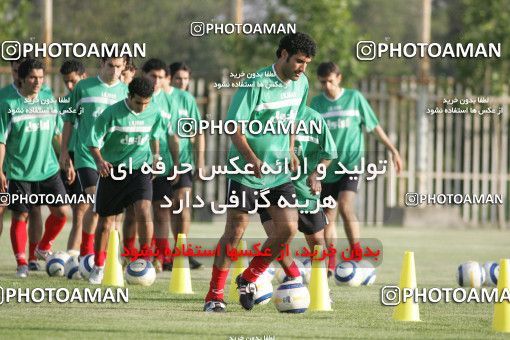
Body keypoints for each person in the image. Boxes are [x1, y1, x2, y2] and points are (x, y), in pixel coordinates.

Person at [203, 32, 316, 312]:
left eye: (307, 63)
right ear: (283, 55)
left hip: (278, 172)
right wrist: (252, 160)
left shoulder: (301, 83)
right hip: (245, 171)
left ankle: (249, 276)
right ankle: (214, 296)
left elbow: (293, 119)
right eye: (299, 61)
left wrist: (290, 150)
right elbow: (233, 127)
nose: (303, 68)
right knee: (235, 232)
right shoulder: (256, 84)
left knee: (289, 228)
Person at [310, 61, 403, 275]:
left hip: (351, 164)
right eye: (323, 82)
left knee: (344, 204)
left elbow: (375, 127)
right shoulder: (316, 104)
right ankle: (330, 263)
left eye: (330, 82)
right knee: (328, 216)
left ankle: (357, 255)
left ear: (339, 78)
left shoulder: (355, 99)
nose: (327, 86)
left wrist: (393, 150)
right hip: (327, 168)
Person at [87, 76, 164, 284]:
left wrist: (156, 158)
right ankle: (99, 266)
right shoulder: (111, 114)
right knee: (106, 222)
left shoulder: (153, 111)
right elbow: (92, 142)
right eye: (138, 102)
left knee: (144, 210)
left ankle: (146, 259)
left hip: (140, 169)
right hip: (112, 171)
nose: (142, 107)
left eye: (146, 103)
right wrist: (100, 161)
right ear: (129, 96)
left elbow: (155, 136)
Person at [0, 58, 70, 278]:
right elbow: (1, 140)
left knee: (61, 213)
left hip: (48, 168)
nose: (38, 82)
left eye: (41, 77)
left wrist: (66, 157)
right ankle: (22, 262)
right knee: (21, 216)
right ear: (21, 78)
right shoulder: (9, 103)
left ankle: (42, 248)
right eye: (32, 77)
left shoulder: (49, 98)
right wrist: (0, 170)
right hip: (20, 171)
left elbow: (58, 131)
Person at [60, 56, 128, 262]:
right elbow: (69, 121)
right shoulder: (83, 87)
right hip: (86, 156)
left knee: (109, 212)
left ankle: (102, 256)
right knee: (97, 202)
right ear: (102, 64)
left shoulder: (126, 91)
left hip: (114, 159)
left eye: (118, 66)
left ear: (124, 67)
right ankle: (88, 254)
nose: (114, 70)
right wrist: (64, 153)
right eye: (110, 65)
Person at [259, 106, 337, 278]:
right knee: (277, 243)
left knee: (317, 242)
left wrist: (317, 174)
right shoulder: (270, 116)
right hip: (273, 189)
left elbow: (330, 153)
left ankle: (321, 289)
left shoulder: (315, 118)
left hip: (305, 192)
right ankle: (296, 280)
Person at [122, 58, 180, 272]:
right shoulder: (132, 97)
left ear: (166, 79)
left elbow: (172, 135)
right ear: (143, 75)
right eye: (152, 76)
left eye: (160, 77)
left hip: (161, 165)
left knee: (161, 211)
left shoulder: (169, 102)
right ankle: (128, 254)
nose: (156, 81)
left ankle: (159, 257)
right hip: (135, 164)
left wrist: (176, 162)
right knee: (133, 212)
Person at [0, 56, 50, 271]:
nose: (18, 71)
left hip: (38, 167)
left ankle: (32, 257)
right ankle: (21, 259)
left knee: (36, 210)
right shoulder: (4, 98)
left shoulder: (45, 96)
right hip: (11, 167)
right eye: (16, 68)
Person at [164, 62, 205, 271]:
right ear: (170, 78)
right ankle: (167, 253)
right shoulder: (160, 96)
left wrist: (200, 163)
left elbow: (199, 131)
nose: (183, 82)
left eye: (186, 78)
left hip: (185, 162)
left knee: (183, 205)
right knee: (168, 207)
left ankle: (182, 251)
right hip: (163, 162)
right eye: (178, 78)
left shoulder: (187, 99)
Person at [58, 59, 87, 258]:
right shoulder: (62, 104)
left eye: (73, 81)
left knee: (81, 210)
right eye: (66, 82)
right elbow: (58, 135)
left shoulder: (92, 100)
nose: (69, 86)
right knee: (73, 210)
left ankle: (76, 255)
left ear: (83, 77)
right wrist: (65, 157)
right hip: (65, 159)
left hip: (87, 159)